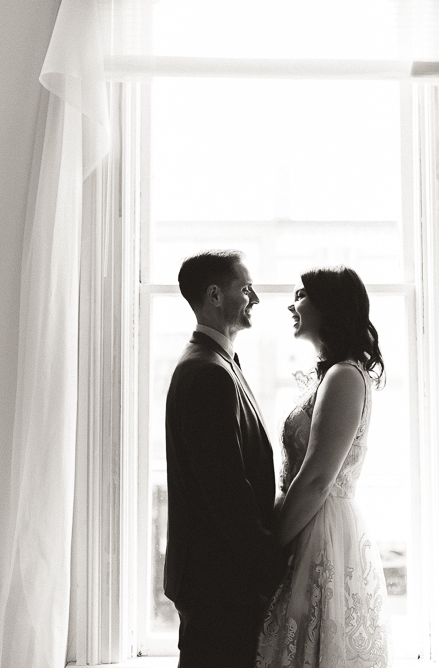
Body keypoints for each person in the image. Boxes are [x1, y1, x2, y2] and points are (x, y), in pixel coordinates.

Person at [256, 266, 391, 668]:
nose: (291, 304)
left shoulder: (345, 376)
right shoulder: (334, 374)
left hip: (319, 529)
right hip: (310, 523)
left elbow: (316, 479)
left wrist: (271, 546)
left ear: (328, 306)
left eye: (301, 295)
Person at [164, 250, 286, 668]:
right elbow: (226, 490)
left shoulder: (218, 362)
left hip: (218, 579)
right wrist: (269, 562)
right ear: (215, 295)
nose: (255, 298)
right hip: (218, 583)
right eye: (246, 288)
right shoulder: (207, 372)